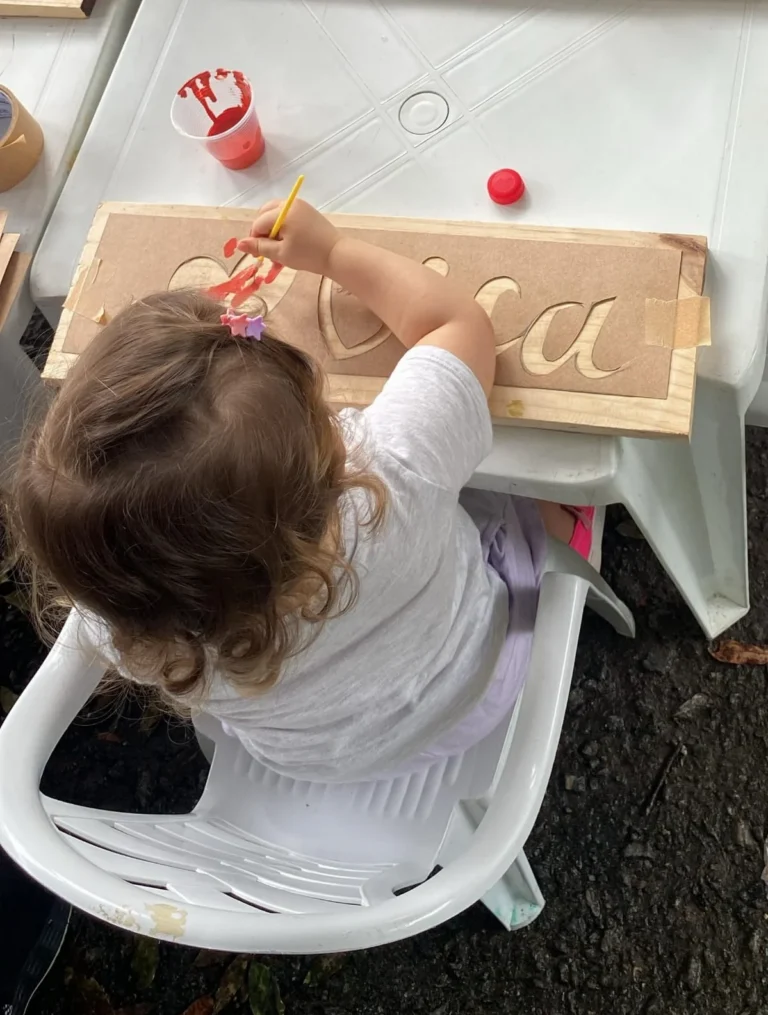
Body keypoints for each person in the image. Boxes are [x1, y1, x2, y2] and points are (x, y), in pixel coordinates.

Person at [8, 200, 592, 783]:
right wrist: (335, 253)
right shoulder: (392, 469)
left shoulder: (128, 622)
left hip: (326, 763)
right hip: (479, 683)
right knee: (529, 490)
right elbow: (457, 326)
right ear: (324, 444)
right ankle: (577, 537)